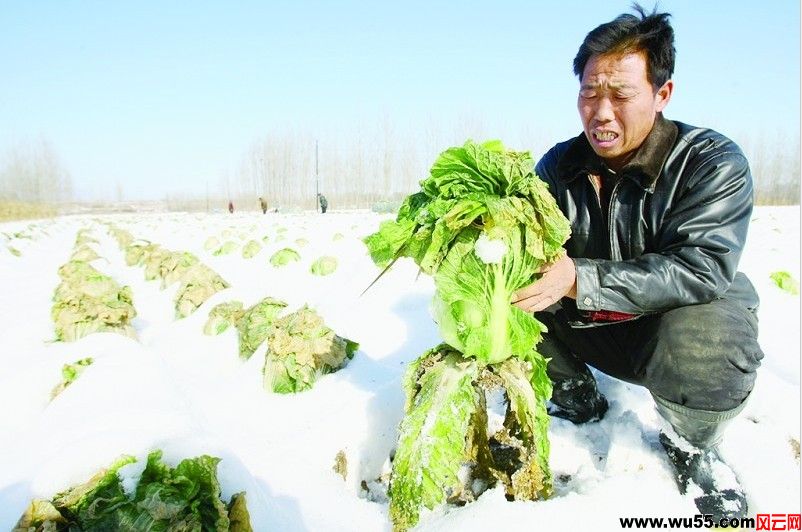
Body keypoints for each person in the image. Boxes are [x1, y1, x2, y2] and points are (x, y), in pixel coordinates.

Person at [511, 5, 762, 520]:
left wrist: (580, 278)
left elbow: (701, 267)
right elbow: (528, 246)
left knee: (708, 329)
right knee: (506, 286)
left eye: (621, 95)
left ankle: (691, 444)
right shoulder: (558, 165)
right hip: (593, 323)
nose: (601, 112)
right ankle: (574, 393)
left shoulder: (711, 162)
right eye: (589, 93)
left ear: (662, 94)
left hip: (673, 329)